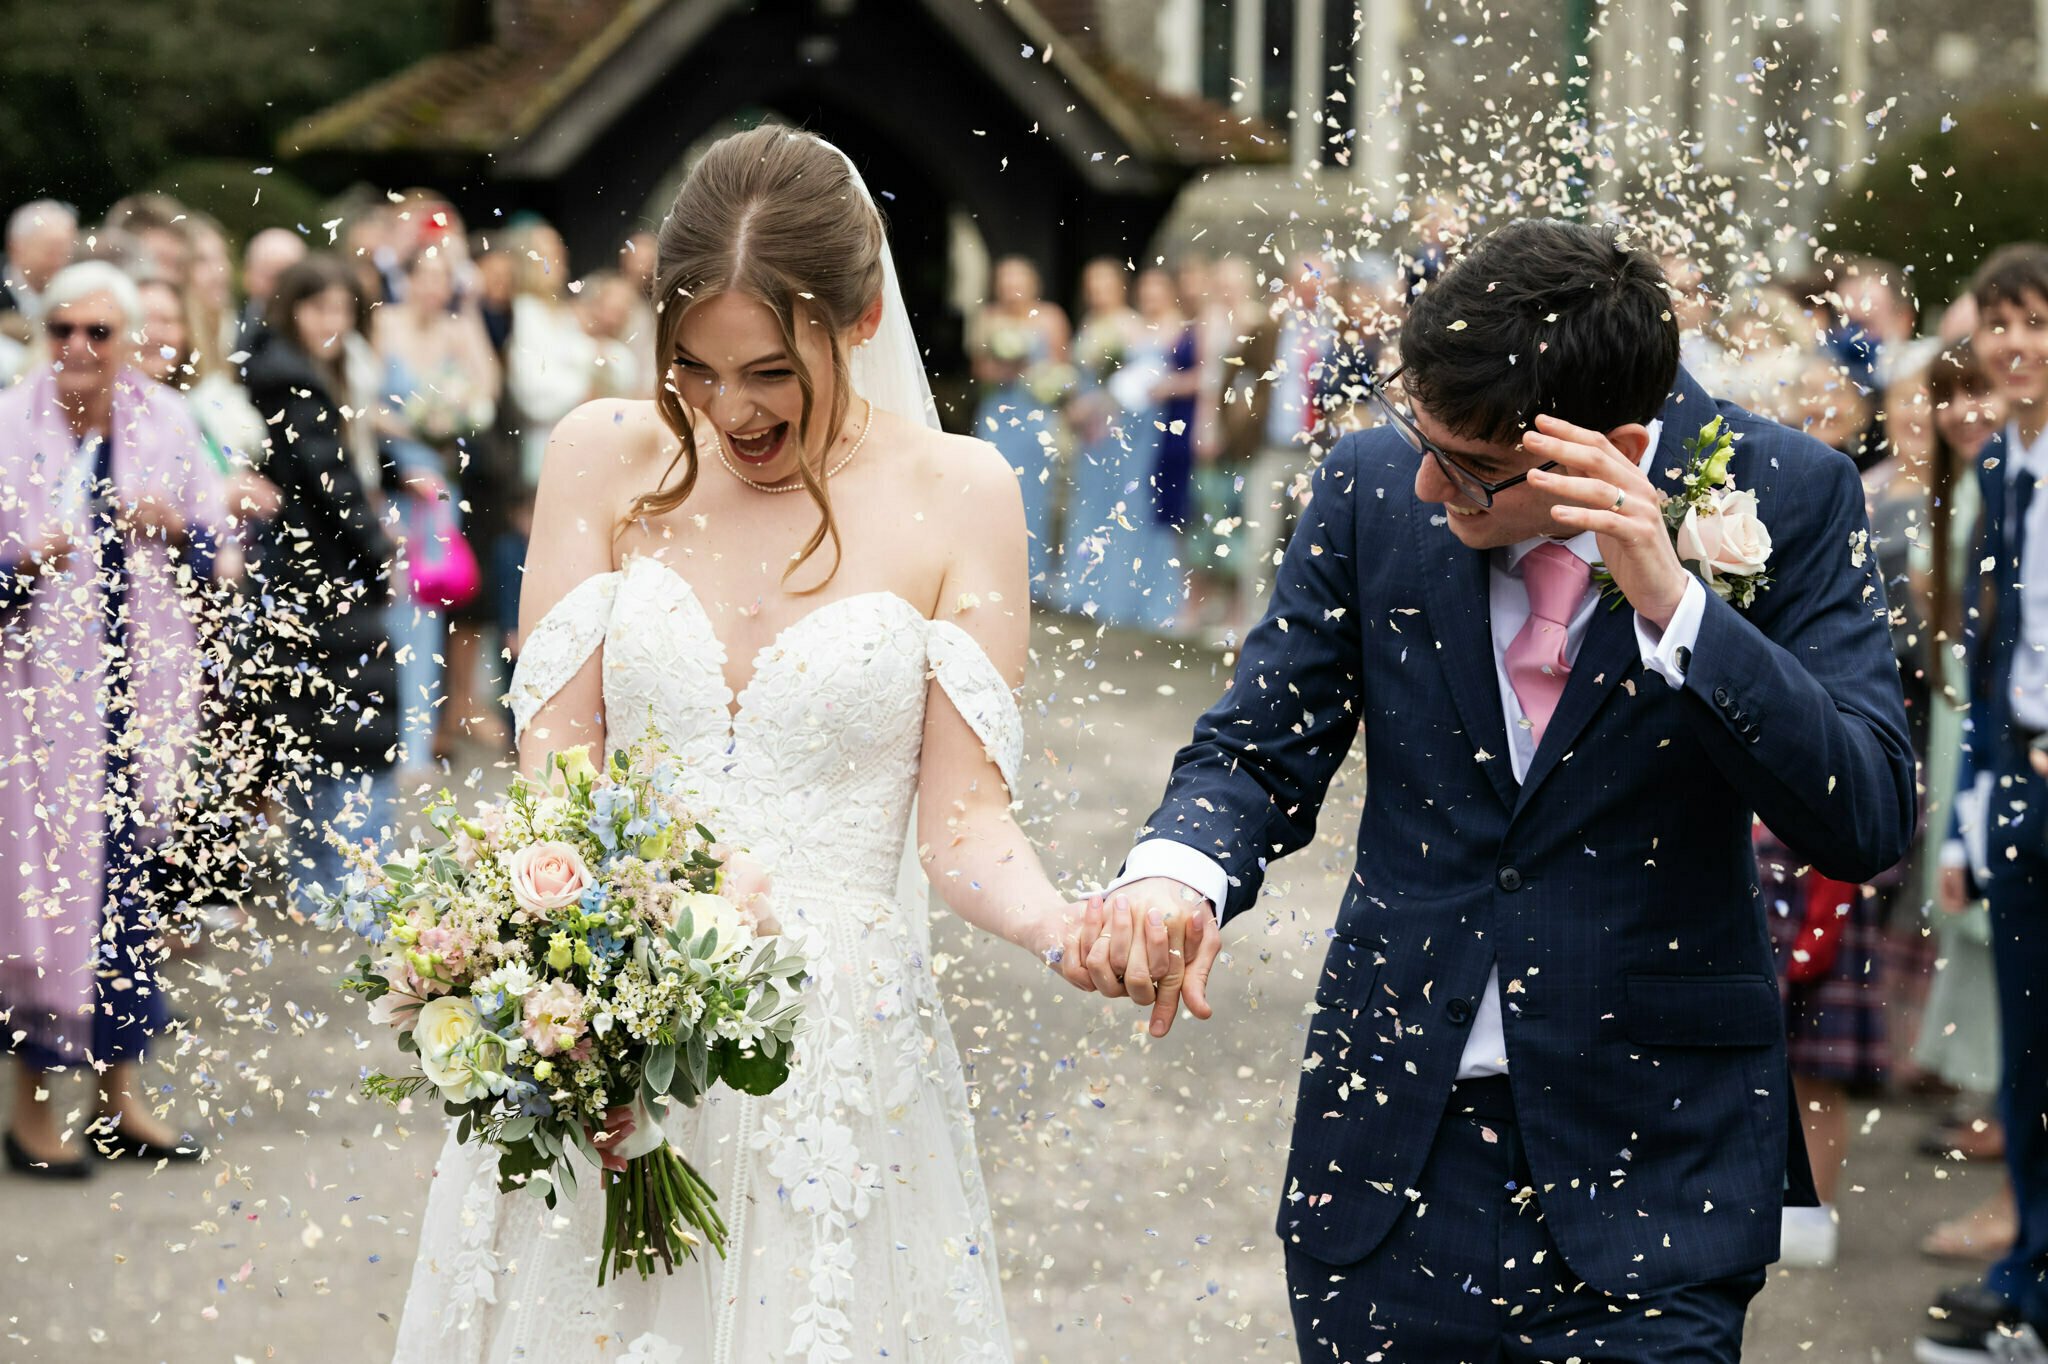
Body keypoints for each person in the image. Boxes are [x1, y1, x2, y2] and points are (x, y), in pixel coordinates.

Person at [1082, 221, 1914, 1359]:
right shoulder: (1370, 486)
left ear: (1604, 450)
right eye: (1419, 436)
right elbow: (1258, 743)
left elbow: (1863, 812)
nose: (1427, 482)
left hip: (1650, 1173)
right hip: (1391, 1162)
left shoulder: (1794, 491)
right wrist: (1175, 873)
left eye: (1469, 468)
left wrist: (1681, 609)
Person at [391, 125, 1095, 1363]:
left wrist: (1062, 926)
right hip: (608, 1023)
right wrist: (596, 956)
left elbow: (963, 822)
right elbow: (558, 763)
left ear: (863, 317)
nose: (730, 410)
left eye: (770, 370)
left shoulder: (964, 493)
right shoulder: (602, 456)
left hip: (832, 1066)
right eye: (696, 369)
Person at [0, 260, 229, 1174]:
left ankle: (120, 1099)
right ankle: (31, 1113)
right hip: (33, 717)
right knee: (42, 904)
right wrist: (22, 562)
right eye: (62, 330)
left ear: (131, 340)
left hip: (139, 698)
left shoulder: (168, 423)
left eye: (99, 332)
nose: (79, 349)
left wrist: (176, 523)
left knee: (126, 903)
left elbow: (222, 553)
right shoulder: (8, 427)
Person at [1918, 243, 2048, 1364]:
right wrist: (1964, 818)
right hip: (2015, 786)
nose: (2016, 346)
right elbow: (1991, 654)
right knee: (2027, 1046)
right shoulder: (1999, 465)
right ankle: (2026, 1276)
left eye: (2037, 323)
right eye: (2001, 324)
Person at [239, 254, 399, 920]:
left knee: (314, 734)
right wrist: (380, 554)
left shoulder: (296, 370)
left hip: (305, 578)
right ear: (290, 309)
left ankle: (329, 890)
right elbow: (328, 483)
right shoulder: (291, 381)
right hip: (319, 581)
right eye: (317, 309)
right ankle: (350, 896)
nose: (331, 324)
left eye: (342, 311)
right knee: (342, 736)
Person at [1909, 342, 2014, 1265]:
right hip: (1962, 725)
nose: (1965, 409)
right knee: (1976, 932)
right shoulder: (1963, 485)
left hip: (1999, 737)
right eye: (1950, 394)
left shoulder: (2013, 482)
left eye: (1977, 389)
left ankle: (2015, 1189)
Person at [372, 244, 500, 774]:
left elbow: (487, 390)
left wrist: (469, 312)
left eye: (442, 278)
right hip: (395, 481)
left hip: (440, 489)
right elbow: (365, 405)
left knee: (432, 607)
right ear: (406, 278)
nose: (433, 286)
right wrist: (412, 433)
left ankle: (418, 741)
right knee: (394, 605)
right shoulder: (386, 323)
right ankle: (386, 729)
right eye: (424, 275)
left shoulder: (454, 330)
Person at [969, 254, 1070, 596]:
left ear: (1032, 284)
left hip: (1034, 415)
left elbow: (1062, 369)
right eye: (1005, 280)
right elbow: (980, 368)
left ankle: (1033, 576)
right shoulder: (988, 316)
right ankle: (993, 571)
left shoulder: (1052, 317)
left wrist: (1037, 376)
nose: (1011, 288)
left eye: (1018, 280)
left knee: (1034, 492)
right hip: (999, 412)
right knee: (991, 485)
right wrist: (1005, 368)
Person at [235, 227, 306, 349]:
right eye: (269, 275)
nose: (278, 287)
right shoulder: (228, 331)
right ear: (247, 274)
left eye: (287, 278)